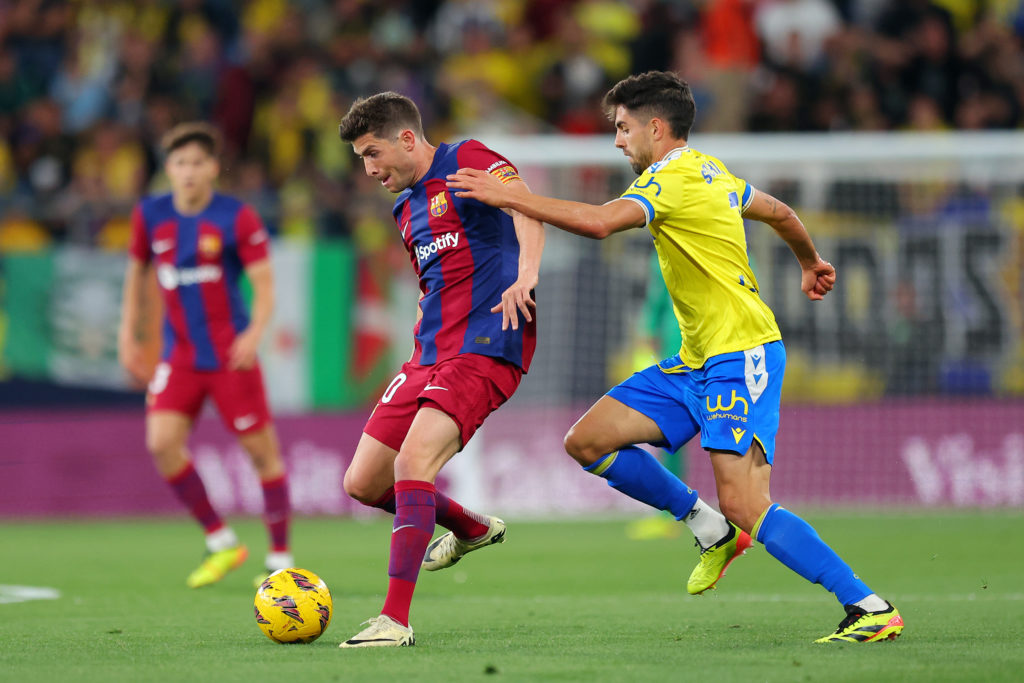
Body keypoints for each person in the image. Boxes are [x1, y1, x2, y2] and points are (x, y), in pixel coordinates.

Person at [447, 71, 904, 644]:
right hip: (695, 362)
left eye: (623, 128)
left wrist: (513, 197)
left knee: (745, 501)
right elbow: (780, 211)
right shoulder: (713, 170)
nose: (617, 141)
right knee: (587, 441)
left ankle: (868, 605)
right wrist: (809, 261)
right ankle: (708, 529)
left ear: (655, 128)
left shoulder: (671, 177)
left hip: (741, 354)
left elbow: (598, 223)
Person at [335, 92, 545, 648]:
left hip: (488, 341)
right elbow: (438, 286)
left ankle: (394, 620)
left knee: (413, 460)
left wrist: (526, 273)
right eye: (361, 159)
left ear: (407, 138)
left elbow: (526, 205)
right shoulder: (405, 210)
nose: (369, 168)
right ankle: (471, 527)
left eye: (373, 153)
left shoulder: (469, 157)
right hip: (428, 354)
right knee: (362, 482)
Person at [118, 122, 292, 589]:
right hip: (180, 356)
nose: (189, 171)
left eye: (198, 162)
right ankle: (222, 541)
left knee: (263, 456)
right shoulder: (150, 215)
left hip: (230, 355)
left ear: (213, 168)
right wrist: (127, 335)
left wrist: (255, 332)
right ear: (168, 170)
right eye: (180, 163)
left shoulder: (237, 218)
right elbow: (136, 275)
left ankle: (280, 557)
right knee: (161, 444)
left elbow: (265, 287)